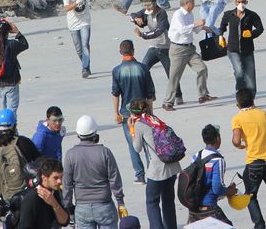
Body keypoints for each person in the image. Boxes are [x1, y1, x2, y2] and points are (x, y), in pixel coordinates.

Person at [231, 88, 266, 229]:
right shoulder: (264, 114)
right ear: (253, 100)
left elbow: (236, 140)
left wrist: (242, 146)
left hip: (254, 162)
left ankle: (259, 225)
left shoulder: (238, 118)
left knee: (250, 196)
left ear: (238, 104)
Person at [62, 115, 127, 229]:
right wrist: (120, 202)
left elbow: (67, 184)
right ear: (95, 133)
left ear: (78, 135)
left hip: (82, 208)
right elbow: (114, 179)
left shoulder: (70, 155)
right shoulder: (105, 152)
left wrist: (67, 206)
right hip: (104, 206)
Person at [130, 101, 181, 229]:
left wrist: (132, 131)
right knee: (168, 201)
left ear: (133, 114)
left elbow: (137, 148)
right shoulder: (155, 119)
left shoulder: (139, 124)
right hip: (172, 165)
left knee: (152, 202)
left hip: (158, 170)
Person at [111, 40, 156, 184]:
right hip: (144, 112)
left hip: (127, 113)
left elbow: (115, 93)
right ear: (133, 50)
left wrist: (116, 113)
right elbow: (150, 93)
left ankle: (140, 175)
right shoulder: (142, 68)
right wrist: (151, 112)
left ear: (120, 52)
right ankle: (151, 171)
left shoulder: (117, 70)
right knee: (149, 142)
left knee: (133, 144)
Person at [162, 0, 214, 111]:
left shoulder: (190, 14)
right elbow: (182, 30)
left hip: (190, 49)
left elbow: (192, 29)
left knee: (202, 68)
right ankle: (167, 102)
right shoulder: (178, 15)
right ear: (187, 3)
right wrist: (196, 24)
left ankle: (203, 95)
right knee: (174, 76)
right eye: (193, 2)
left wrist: (202, 28)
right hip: (178, 50)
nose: (194, 4)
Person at [188, 124, 237, 224]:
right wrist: (230, 191)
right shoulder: (218, 160)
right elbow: (217, 188)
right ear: (217, 138)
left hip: (193, 208)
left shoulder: (195, 156)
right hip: (209, 208)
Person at [217, 0, 264, 95]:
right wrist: (220, 36)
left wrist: (251, 33)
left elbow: (260, 28)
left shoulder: (252, 15)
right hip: (233, 49)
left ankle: (251, 98)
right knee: (239, 70)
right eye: (239, 2)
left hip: (247, 50)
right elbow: (222, 26)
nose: (241, 4)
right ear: (235, 2)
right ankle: (240, 94)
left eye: (243, 2)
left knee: (250, 75)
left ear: (246, 2)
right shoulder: (228, 14)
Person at [0, 18, 29, 114]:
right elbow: (25, 44)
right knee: (12, 110)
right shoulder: (12, 44)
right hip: (11, 82)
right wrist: (17, 32)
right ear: (8, 32)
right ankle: (11, 128)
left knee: (5, 109)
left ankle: (4, 126)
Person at [12, 157, 70, 229]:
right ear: (44, 178)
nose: (60, 181)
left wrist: (55, 204)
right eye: (55, 178)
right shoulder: (32, 198)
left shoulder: (57, 192)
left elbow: (64, 221)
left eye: (61, 177)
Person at [62, 0, 94, 78]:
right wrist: (76, 2)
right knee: (79, 48)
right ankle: (86, 64)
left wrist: (92, 0)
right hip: (73, 23)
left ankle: (85, 68)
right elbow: (66, 8)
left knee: (85, 44)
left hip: (85, 20)